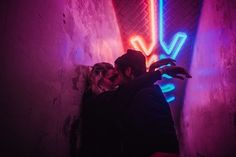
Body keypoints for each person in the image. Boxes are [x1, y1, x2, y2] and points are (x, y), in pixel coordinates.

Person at [78, 50, 191, 157]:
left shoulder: (143, 94)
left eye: (117, 75)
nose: (116, 83)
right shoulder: (96, 102)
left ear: (129, 71)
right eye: (112, 78)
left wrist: (156, 73)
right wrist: (156, 72)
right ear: (97, 80)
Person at [113, 49, 191, 157]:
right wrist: (153, 72)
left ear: (128, 71)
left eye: (117, 73)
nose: (115, 79)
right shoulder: (145, 92)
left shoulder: (145, 95)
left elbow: (161, 143)